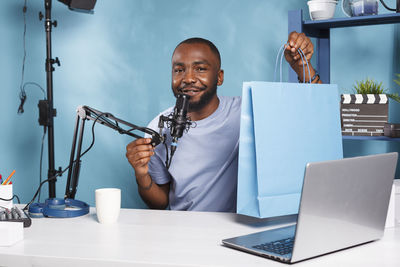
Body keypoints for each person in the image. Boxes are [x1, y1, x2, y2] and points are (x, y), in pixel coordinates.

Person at [126, 32, 320, 212]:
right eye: (179, 70)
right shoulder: (158, 129)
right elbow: (161, 202)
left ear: (219, 77)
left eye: (200, 68)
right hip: (184, 232)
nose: (188, 78)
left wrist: (302, 67)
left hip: (239, 230)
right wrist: (141, 175)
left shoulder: (248, 111)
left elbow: (316, 111)